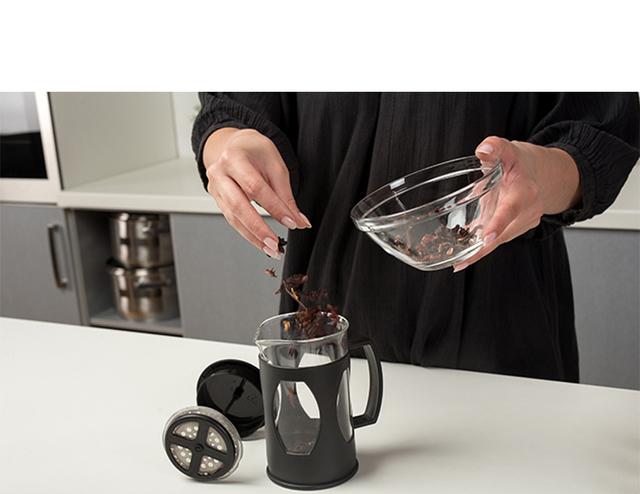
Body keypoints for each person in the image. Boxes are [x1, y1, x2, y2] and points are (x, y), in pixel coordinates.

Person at [192, 93, 640, 382]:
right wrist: (226, 144)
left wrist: (542, 172)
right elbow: (231, 105)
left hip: (500, 316)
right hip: (325, 322)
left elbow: (599, 131)